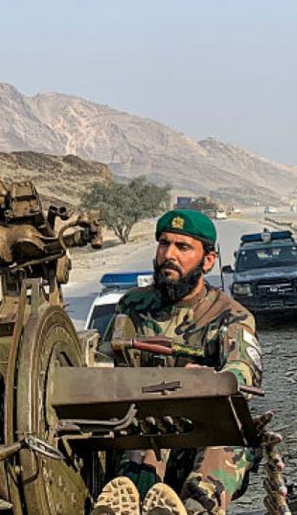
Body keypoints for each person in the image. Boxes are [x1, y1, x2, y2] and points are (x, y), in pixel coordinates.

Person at [91, 209, 263, 515]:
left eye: (182, 247)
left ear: (208, 261)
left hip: (201, 436)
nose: (169, 254)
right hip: (143, 433)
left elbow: (243, 371)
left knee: (230, 437)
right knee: (144, 433)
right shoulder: (132, 306)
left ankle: (197, 506)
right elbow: (102, 362)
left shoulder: (230, 316)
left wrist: (207, 380)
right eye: (164, 244)